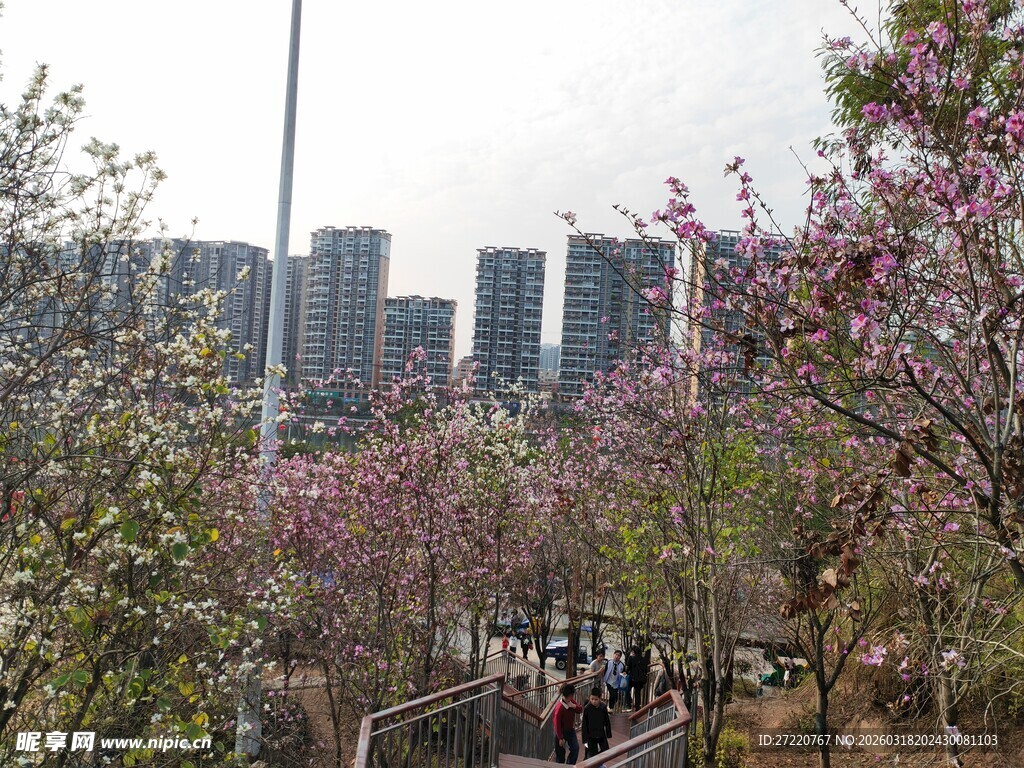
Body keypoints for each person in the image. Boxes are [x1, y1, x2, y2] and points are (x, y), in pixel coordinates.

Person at [553, 683, 582, 764]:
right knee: (560, 756)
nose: (572, 697)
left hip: (570, 730)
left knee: (575, 748)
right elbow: (557, 724)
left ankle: (569, 765)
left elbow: (580, 709)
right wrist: (560, 738)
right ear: (569, 695)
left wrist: (574, 706)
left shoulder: (571, 701)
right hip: (561, 732)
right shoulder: (560, 708)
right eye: (572, 695)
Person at [581, 686, 612, 758]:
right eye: (592, 699)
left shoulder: (603, 707)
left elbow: (607, 721)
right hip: (590, 736)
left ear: (600, 699)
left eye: (596, 699)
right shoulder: (587, 708)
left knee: (605, 751)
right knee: (590, 754)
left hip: (601, 733)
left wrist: (608, 733)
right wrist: (584, 739)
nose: (594, 701)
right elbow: (584, 725)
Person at [626, 646, 649, 711]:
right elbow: (645, 669)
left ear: (633, 652)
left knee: (627, 690)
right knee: (637, 693)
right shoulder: (644, 659)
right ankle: (637, 707)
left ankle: (628, 704)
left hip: (633, 679)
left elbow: (628, 667)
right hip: (641, 680)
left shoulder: (631, 658)